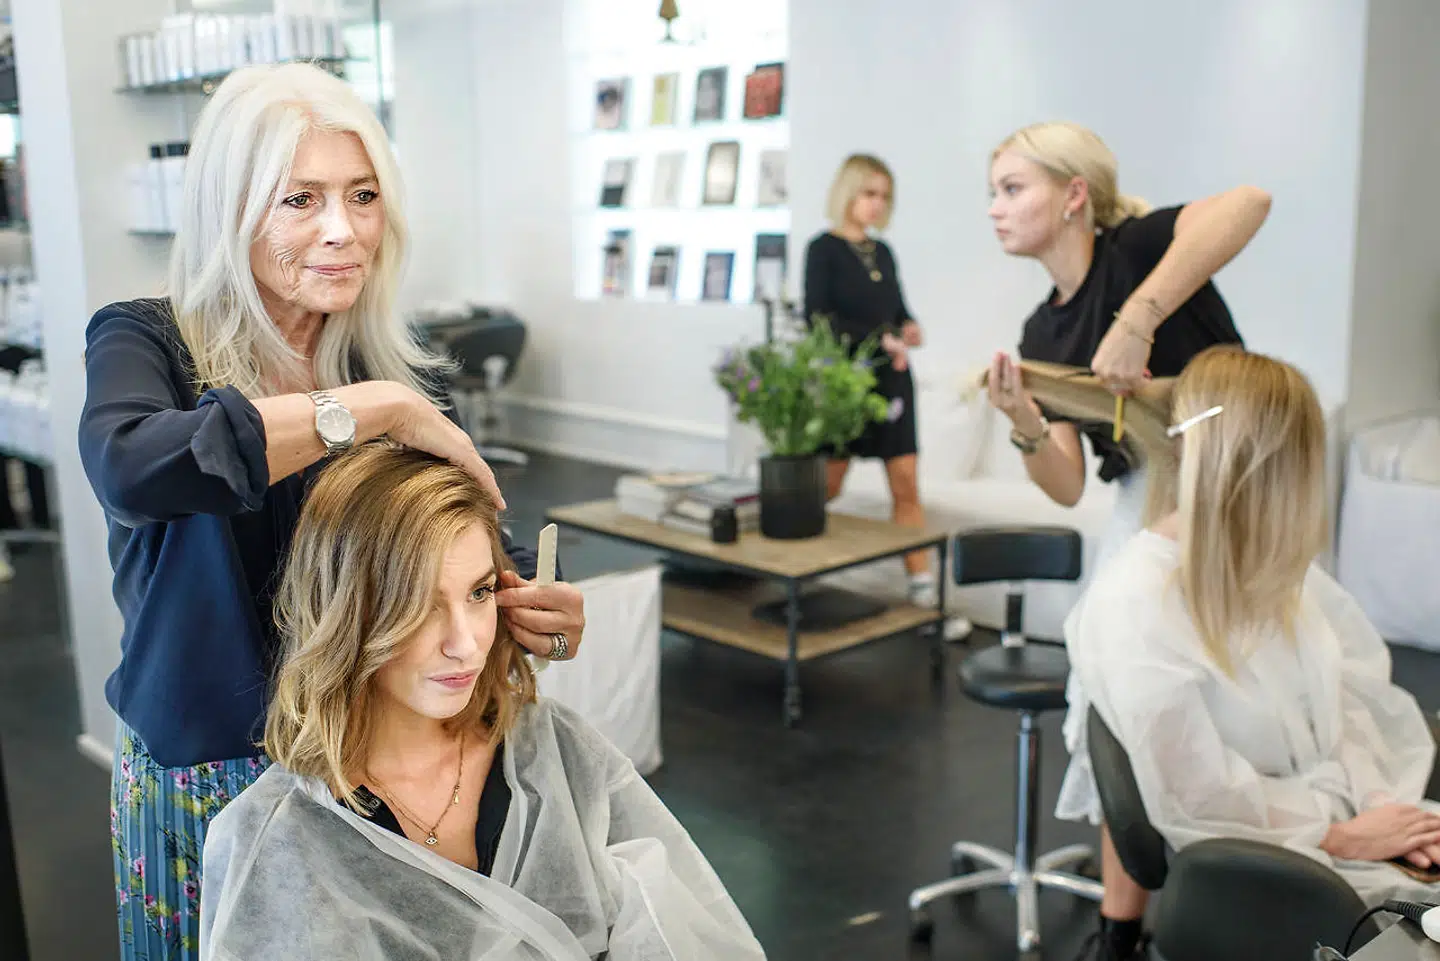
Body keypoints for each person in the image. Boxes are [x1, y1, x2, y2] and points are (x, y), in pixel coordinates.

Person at [79, 63, 587, 961]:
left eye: (361, 195)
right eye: (299, 200)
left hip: (371, 769)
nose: (341, 230)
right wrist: (367, 412)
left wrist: (525, 607)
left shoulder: (404, 375)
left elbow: (469, 557)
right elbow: (132, 468)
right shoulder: (147, 341)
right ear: (229, 212)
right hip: (212, 775)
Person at [199, 441, 766, 961]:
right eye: (418, 604)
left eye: (479, 593)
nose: (465, 643)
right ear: (346, 614)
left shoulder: (553, 749)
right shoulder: (272, 840)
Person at [983, 121, 1270, 959]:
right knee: (1123, 705)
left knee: (1232, 713)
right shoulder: (1042, 333)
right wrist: (1026, 423)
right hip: (1144, 513)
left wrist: (1142, 317)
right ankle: (1121, 929)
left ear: (1075, 196)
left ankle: (1251, 905)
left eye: (1012, 188)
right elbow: (1069, 481)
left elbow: (1250, 201)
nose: (995, 210)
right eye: (992, 193)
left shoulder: (1136, 250)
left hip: (1232, 497)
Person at [1065, 347, 1440, 937]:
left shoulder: (1276, 575)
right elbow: (1198, 796)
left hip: (1348, 833)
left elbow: (1353, 703)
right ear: (1258, 470)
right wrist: (1340, 835)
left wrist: (1384, 814)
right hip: (1283, 867)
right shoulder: (1134, 606)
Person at [805, 153, 963, 632]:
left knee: (906, 487)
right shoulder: (823, 249)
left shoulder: (883, 252)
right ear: (847, 192)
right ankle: (796, 575)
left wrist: (909, 328)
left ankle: (923, 601)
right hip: (847, 388)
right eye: (868, 193)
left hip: (891, 383)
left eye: (884, 197)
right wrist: (878, 338)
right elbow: (819, 319)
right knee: (823, 489)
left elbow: (897, 308)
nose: (876, 205)